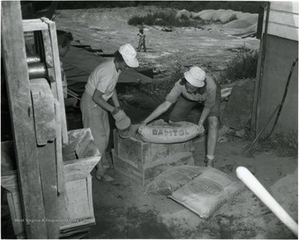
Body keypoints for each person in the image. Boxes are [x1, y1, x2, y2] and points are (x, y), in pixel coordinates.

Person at [139, 66, 221, 167]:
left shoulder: (211, 86)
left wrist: (200, 122)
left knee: (214, 123)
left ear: (199, 87)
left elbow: (208, 106)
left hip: (208, 96)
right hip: (188, 98)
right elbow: (166, 104)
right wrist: (145, 121)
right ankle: (184, 148)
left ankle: (209, 161)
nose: (188, 89)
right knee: (174, 120)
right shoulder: (180, 85)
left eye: (192, 88)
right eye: (187, 86)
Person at [80, 43, 139, 181]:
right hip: (91, 102)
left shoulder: (116, 67)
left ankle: (103, 162)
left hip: (100, 101)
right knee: (98, 137)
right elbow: (95, 96)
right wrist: (113, 110)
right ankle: (99, 171)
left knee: (105, 133)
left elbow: (111, 89)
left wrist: (117, 106)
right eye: (127, 64)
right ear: (120, 60)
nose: (128, 67)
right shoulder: (108, 71)